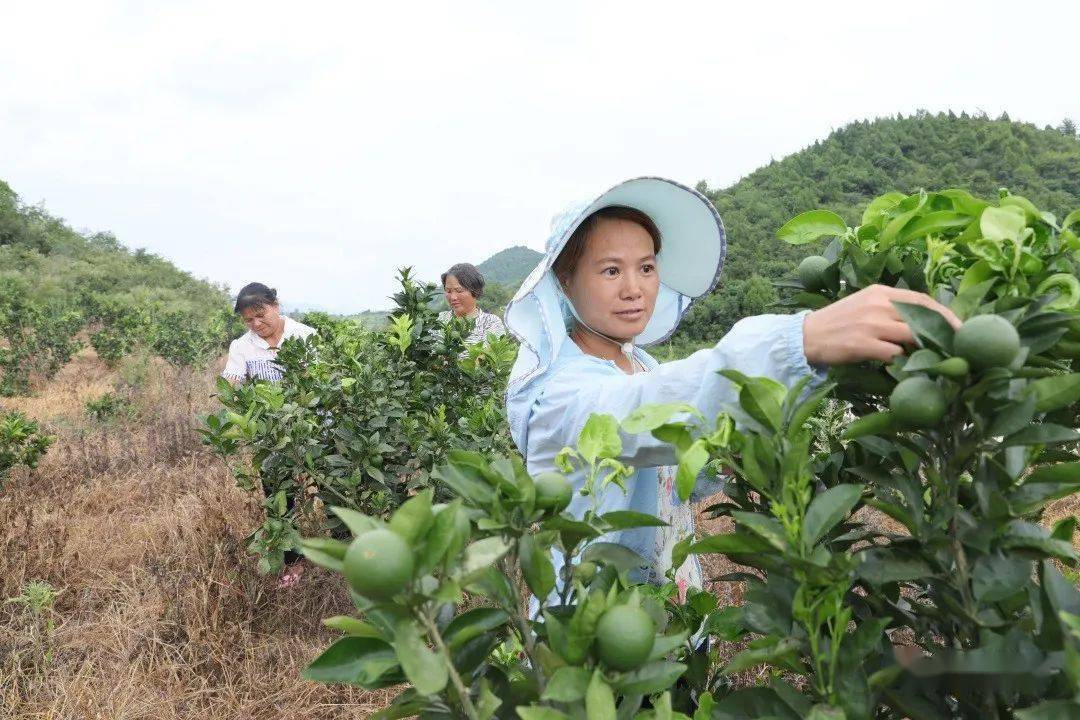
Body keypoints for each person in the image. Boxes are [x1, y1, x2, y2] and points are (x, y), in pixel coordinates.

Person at [504, 177, 960, 602]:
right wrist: (795, 344)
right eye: (609, 271)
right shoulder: (558, 392)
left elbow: (685, 459)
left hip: (669, 609)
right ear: (565, 282)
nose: (634, 288)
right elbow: (642, 410)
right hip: (589, 625)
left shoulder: (639, 363)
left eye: (645, 267)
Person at [223, 282, 316, 384]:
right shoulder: (241, 346)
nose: (256, 324)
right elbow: (230, 384)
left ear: (275, 306)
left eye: (261, 315)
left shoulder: (305, 334)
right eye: (249, 320)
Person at [439, 263, 506, 345]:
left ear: (475, 290)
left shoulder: (490, 322)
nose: (453, 297)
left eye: (459, 291)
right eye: (448, 291)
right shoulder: (439, 321)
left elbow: (489, 356)